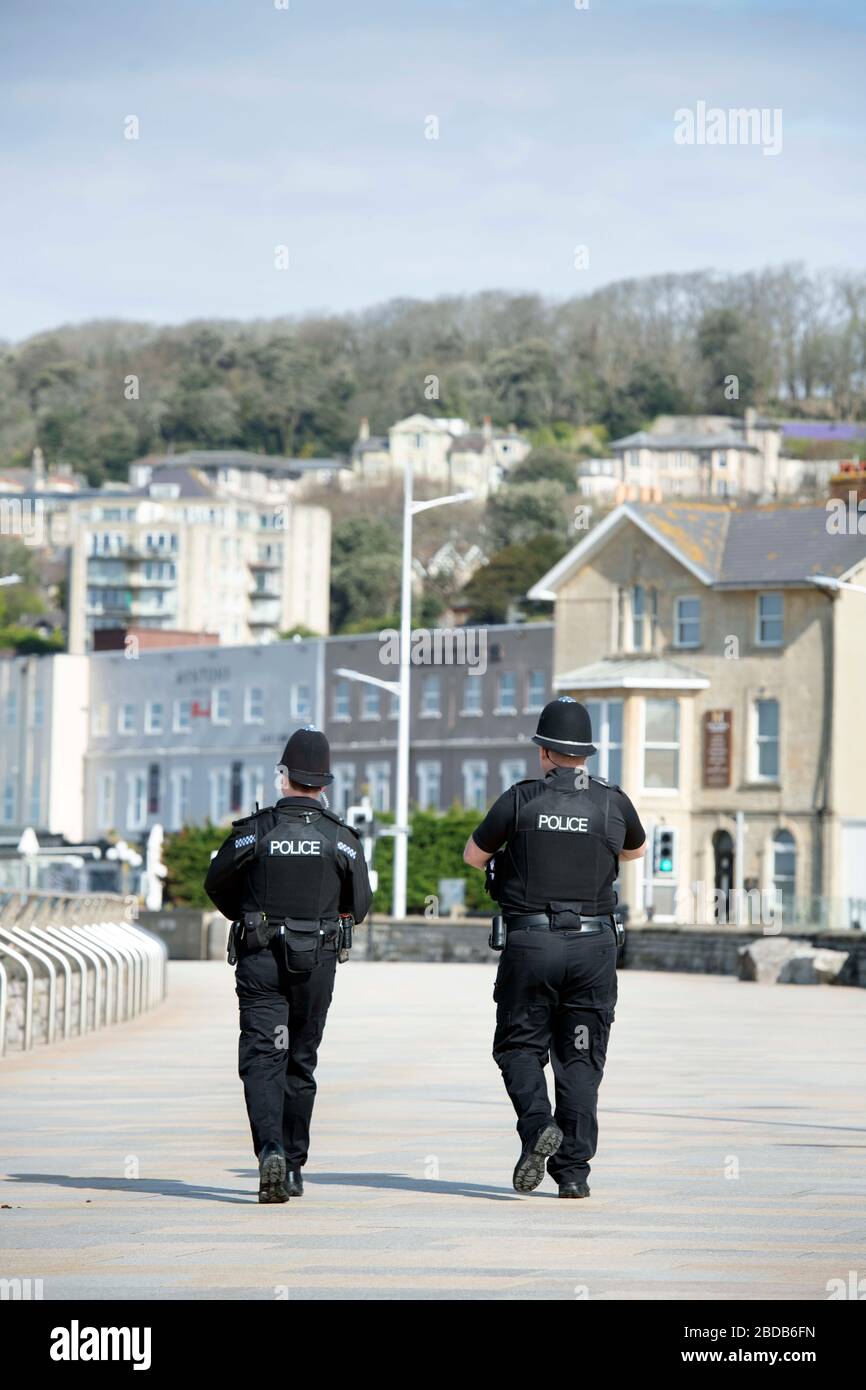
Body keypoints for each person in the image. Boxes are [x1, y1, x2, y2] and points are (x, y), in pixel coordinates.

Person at [463, 697, 646, 1198]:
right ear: (585, 753)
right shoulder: (612, 800)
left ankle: (537, 1123)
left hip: (532, 943)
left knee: (519, 1046)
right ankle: (573, 1174)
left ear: (544, 752)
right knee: (581, 1056)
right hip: (594, 946)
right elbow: (634, 849)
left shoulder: (519, 800)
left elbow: (474, 856)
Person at [204, 725, 371, 1204]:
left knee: (262, 1057)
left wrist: (249, 914)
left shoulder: (254, 832)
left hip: (259, 957)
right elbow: (358, 905)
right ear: (324, 784)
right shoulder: (341, 840)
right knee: (300, 1059)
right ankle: (293, 1166)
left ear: (284, 778)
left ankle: (270, 1150)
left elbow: (216, 884)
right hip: (315, 961)